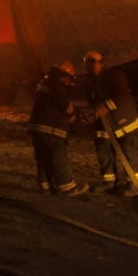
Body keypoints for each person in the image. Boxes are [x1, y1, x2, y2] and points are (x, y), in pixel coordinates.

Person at [82, 50, 138, 196]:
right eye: (87, 64)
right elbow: (92, 101)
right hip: (105, 125)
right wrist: (94, 112)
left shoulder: (114, 76)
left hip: (125, 123)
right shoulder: (89, 81)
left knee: (129, 153)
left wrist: (105, 107)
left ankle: (134, 185)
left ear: (102, 63)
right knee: (104, 153)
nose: (90, 67)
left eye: (93, 63)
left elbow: (123, 96)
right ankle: (110, 183)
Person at [26, 60, 90, 196]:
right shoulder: (56, 84)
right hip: (51, 130)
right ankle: (68, 188)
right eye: (69, 80)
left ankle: (46, 187)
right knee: (58, 156)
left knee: (43, 158)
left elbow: (51, 105)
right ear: (64, 76)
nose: (69, 84)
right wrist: (72, 113)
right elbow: (61, 103)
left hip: (38, 128)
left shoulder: (47, 83)